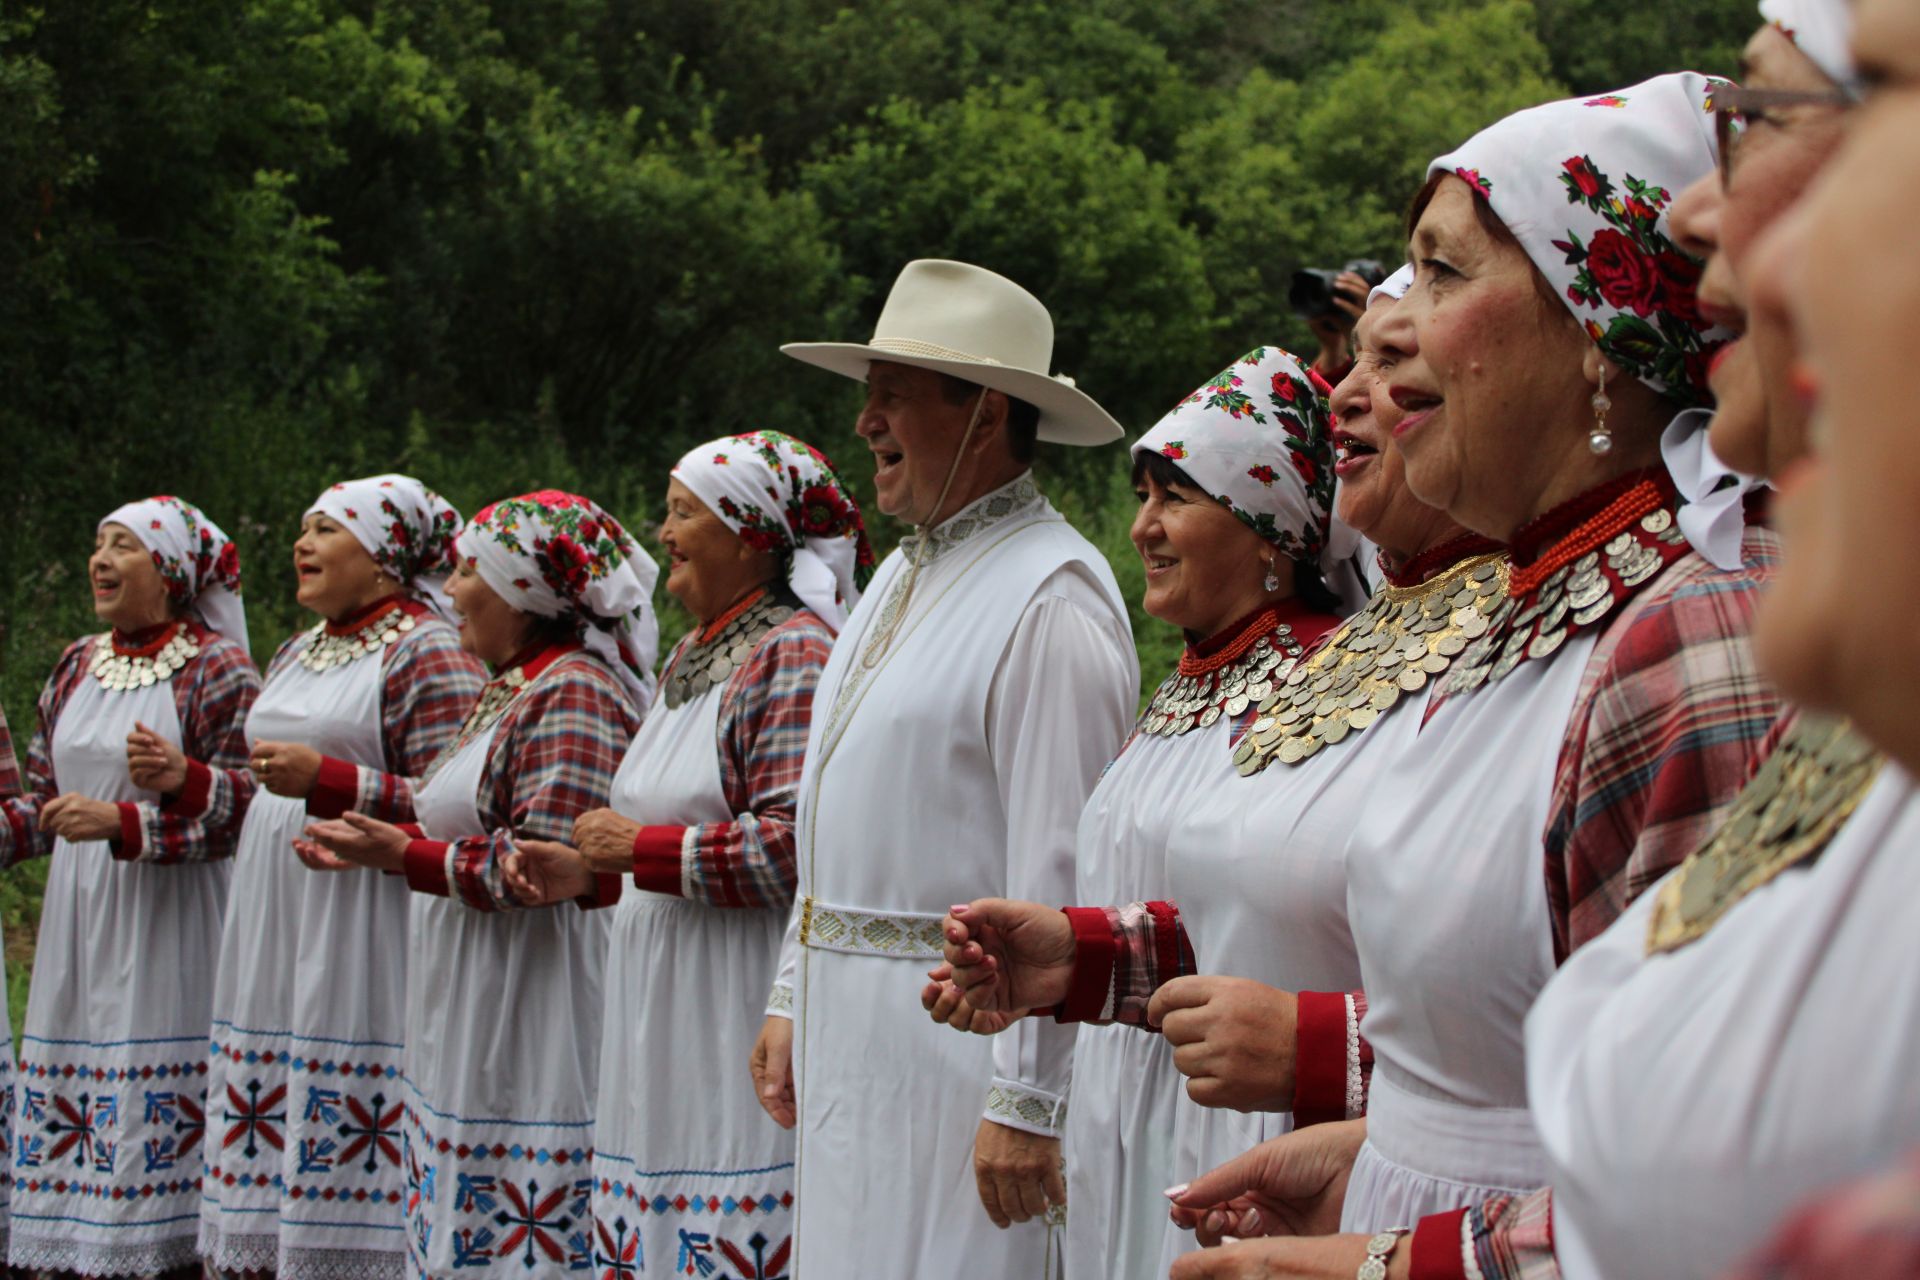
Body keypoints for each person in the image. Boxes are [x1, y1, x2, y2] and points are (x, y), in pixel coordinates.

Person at [1161, 73, 1783, 1278]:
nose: (1390, 330)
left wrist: (1391, 1256)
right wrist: (1374, 1155)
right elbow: (1509, 1053)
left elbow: (1716, 1179)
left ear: (1595, 326)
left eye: (1442, 274)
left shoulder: (1695, 636)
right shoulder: (1530, 606)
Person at [925, 284, 1509, 1276]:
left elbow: (1508, 985)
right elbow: (1253, 912)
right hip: (1188, 1119)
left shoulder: (1503, 645)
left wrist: (1317, 1043)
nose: (1350, 397)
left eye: (1178, 494)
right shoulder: (1357, 657)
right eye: (1354, 363)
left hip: (1346, 1164)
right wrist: (1090, 960)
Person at [748, 259, 1138, 1277]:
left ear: (988, 414)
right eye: (867, 393)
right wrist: (794, 992)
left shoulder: (1048, 596)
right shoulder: (896, 577)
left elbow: (1065, 872)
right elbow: (836, 816)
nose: (867, 420)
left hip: (958, 1058)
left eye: (895, 394)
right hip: (857, 1053)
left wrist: (1027, 1096)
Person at [504, 432, 870, 1275]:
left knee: (726, 1198)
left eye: (680, 512)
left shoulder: (794, 653)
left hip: (727, 997)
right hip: (662, 1008)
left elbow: (792, 848)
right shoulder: (693, 650)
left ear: (746, 531)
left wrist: (643, 850)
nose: (661, 532)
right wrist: (590, 867)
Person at [125, 476, 484, 1280]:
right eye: (302, 527)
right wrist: (191, 781)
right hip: (276, 904)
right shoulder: (299, 647)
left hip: (363, 908)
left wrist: (336, 781)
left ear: (388, 558)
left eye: (327, 530)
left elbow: (454, 798)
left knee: (348, 1061)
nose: (302, 543)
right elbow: (262, 788)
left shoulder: (428, 647)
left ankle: (356, 1251)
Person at [296, 490, 651, 1278]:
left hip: (534, 1001)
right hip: (478, 990)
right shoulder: (513, 684)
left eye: (467, 573)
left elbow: (540, 867)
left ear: (521, 587)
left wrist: (404, 856)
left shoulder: (573, 692)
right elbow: (471, 825)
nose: (450, 591)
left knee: (520, 1207)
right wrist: (381, 843)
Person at [1, 497, 260, 1278]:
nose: (101, 559)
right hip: (80, 926)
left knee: (156, 1088)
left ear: (173, 571)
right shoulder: (78, 662)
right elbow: (43, 798)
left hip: (174, 919)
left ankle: (164, 1250)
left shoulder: (218, 668)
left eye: (125, 546)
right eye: (97, 543)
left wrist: (129, 822)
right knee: (78, 1090)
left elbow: (252, 813)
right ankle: (71, 1249)